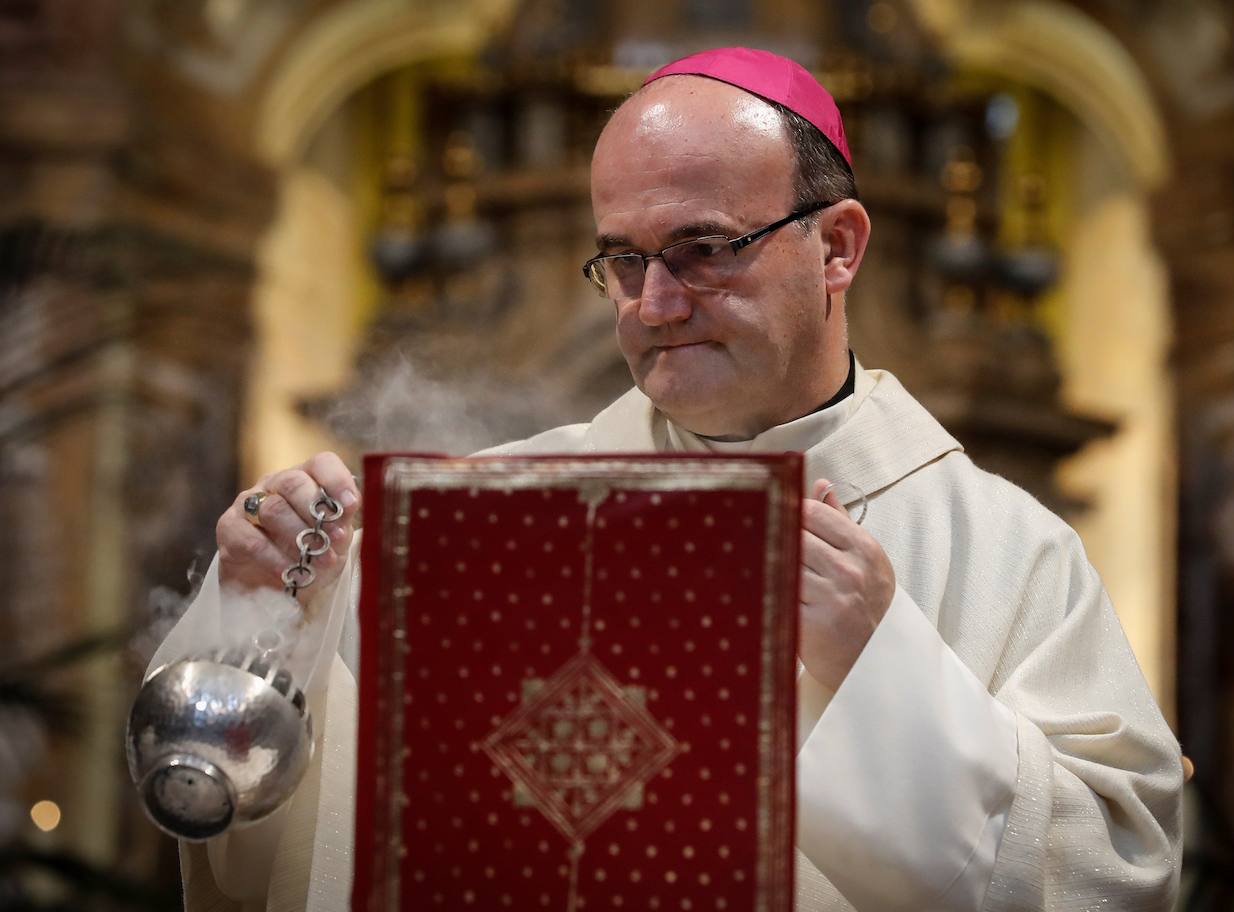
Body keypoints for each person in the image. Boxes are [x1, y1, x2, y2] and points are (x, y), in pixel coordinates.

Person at [151, 47, 1182, 911]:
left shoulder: (1007, 551)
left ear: (839, 247)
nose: (652, 304)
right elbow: (257, 826)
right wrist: (269, 610)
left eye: (703, 249)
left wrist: (885, 663)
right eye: (622, 259)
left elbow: (1118, 868)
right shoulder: (476, 518)